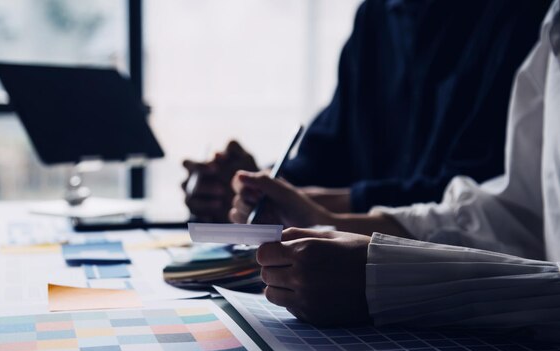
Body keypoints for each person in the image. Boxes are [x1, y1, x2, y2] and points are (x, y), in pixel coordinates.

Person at [252, 1, 560, 342]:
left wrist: (384, 283)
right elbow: (518, 214)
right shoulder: (553, 24)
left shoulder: (522, 15)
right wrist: (324, 217)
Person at [183, 0, 550, 223]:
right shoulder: (376, 16)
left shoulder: (524, 17)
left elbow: (481, 196)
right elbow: (325, 158)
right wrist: (250, 184)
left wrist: (301, 201)